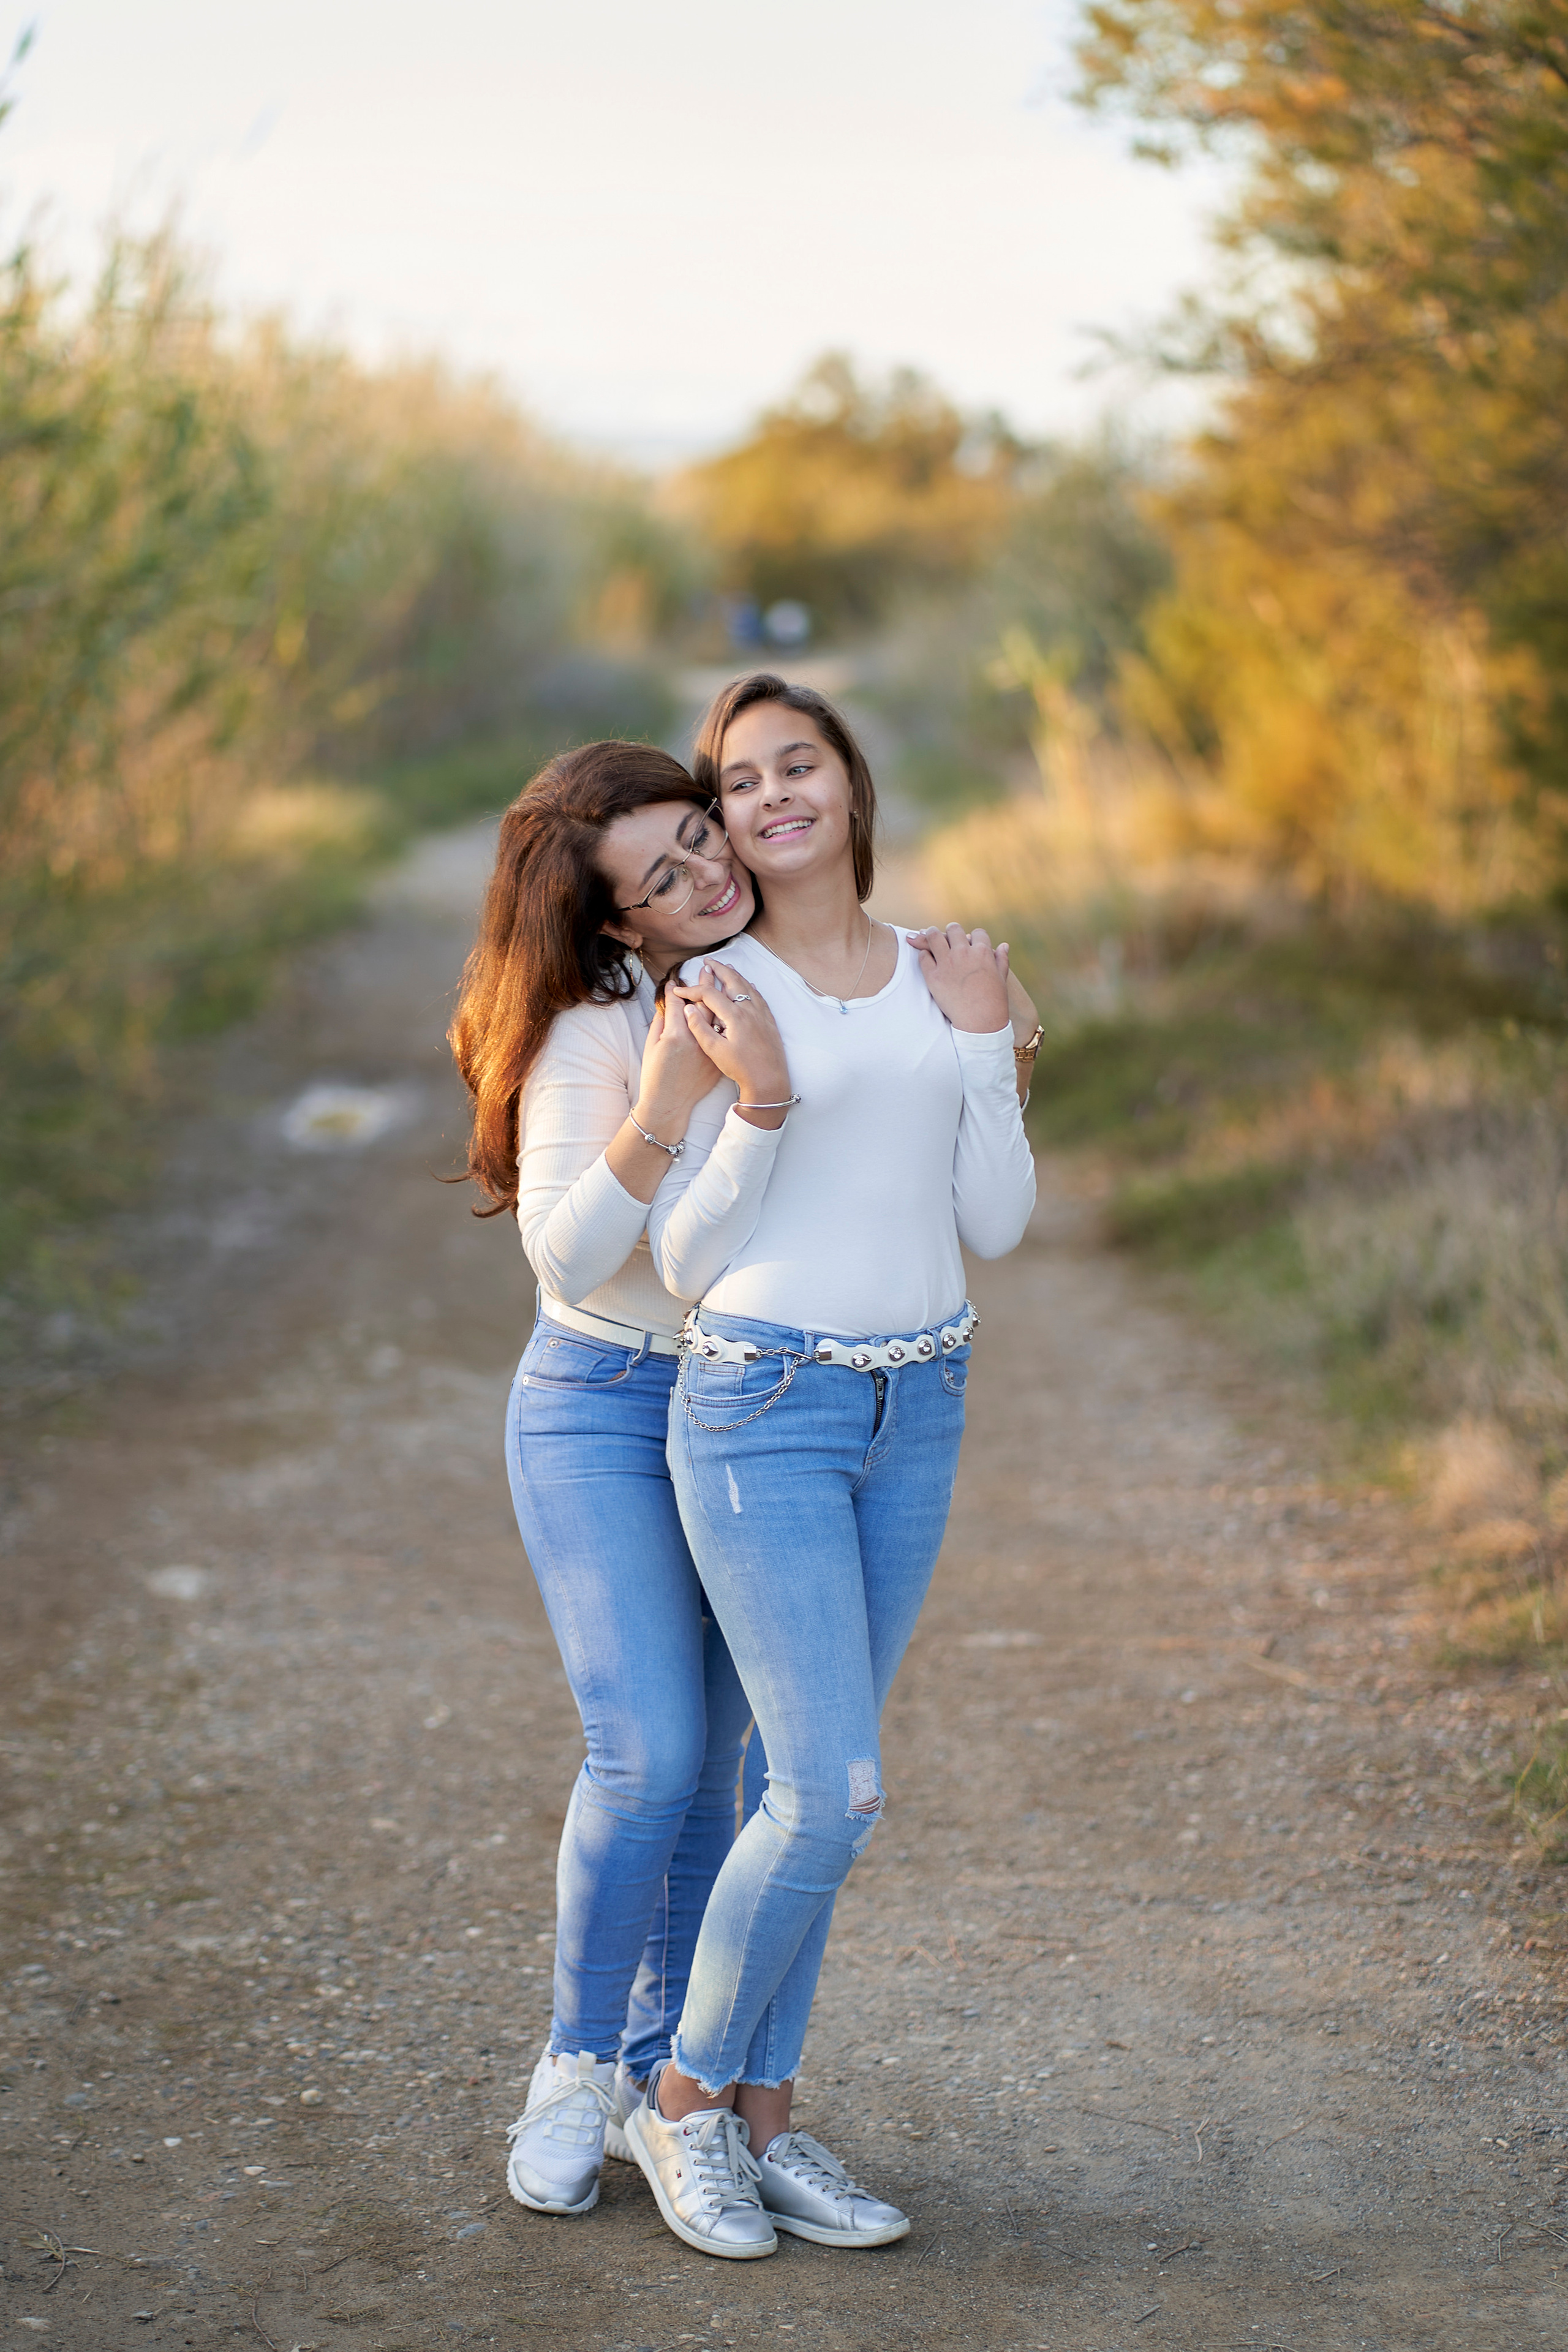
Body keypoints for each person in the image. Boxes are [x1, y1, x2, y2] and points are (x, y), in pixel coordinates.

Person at [616, 674, 1039, 2260]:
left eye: (802, 763)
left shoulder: (950, 972)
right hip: (762, 1408)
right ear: (721, 822)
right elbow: (683, 1261)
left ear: (852, 786)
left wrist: (990, 1045)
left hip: (918, 1400)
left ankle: (771, 2124)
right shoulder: (716, 992)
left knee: (824, 1799)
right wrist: (764, 1103)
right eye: (740, 781)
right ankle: (682, 2107)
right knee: (830, 1790)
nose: (775, 794)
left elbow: (995, 1224)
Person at [447, 739, 792, 2219]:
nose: (708, 867)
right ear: (615, 927)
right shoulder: (594, 1032)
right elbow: (569, 1257)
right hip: (598, 1401)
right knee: (644, 1753)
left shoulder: (771, 978)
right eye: (663, 875)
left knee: (713, 1775)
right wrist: (668, 1096)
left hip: (741, 1404)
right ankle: (573, 2066)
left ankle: (666, 2091)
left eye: (701, 834)